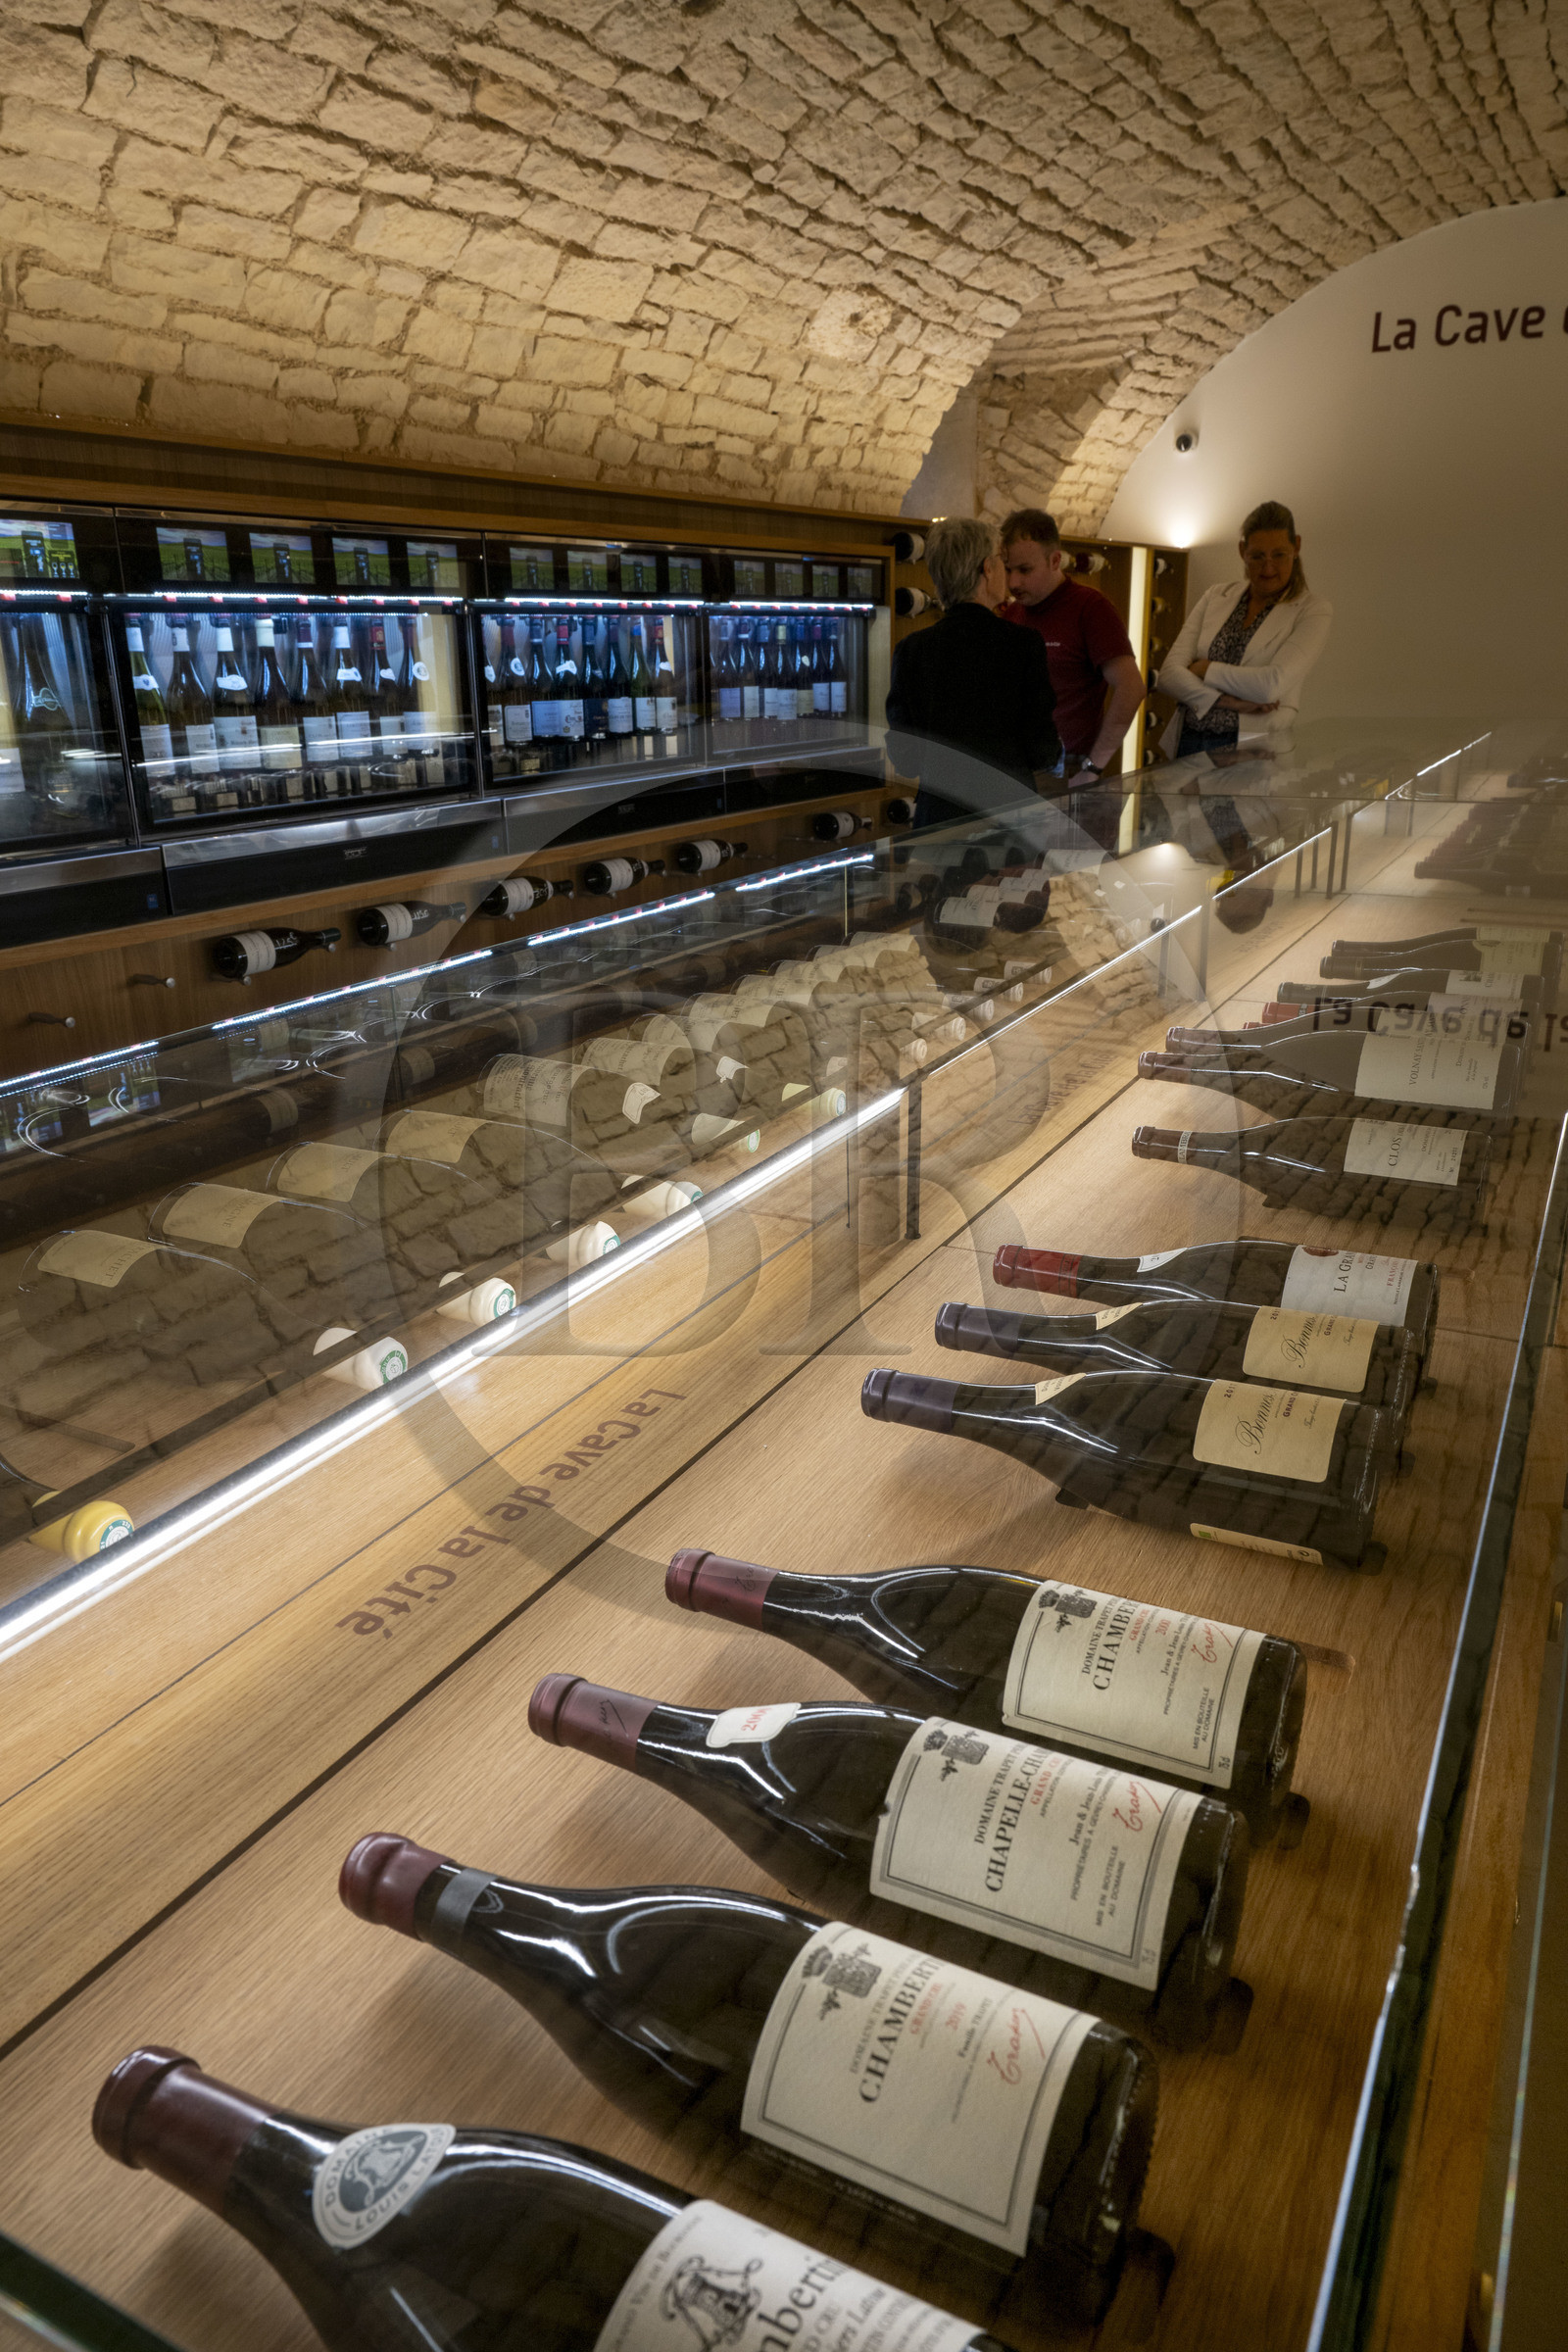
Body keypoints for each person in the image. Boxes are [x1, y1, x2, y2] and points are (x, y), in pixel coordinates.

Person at [885, 516, 1059, 827]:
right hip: (1010, 820)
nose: (1007, 573)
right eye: (1002, 562)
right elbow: (1042, 751)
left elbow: (906, 759)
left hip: (939, 821)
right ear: (987, 568)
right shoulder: (1022, 644)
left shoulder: (911, 649)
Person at [1156, 501, 1333, 757]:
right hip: (1188, 743)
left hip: (1253, 753)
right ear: (1242, 551)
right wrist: (1226, 701)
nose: (1268, 568)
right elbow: (1169, 675)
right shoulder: (1216, 595)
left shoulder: (1313, 610)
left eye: (1279, 555)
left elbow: (1270, 686)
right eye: (1257, 556)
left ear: (1296, 546)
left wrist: (1205, 669)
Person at [1000, 508, 1145, 783]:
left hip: (1065, 771)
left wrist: (1092, 768)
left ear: (1055, 560)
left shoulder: (1090, 608)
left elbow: (1131, 687)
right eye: (1008, 570)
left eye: (1025, 570)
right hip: (1017, 768)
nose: (1013, 582)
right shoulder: (1013, 613)